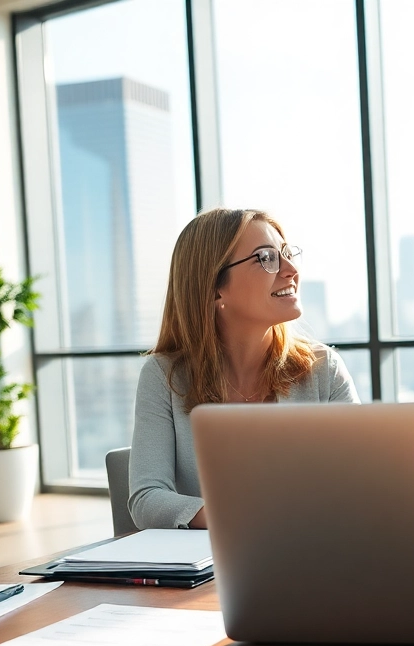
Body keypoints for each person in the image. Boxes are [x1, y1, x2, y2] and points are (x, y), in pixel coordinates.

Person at [130, 207, 361, 529]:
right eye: (266, 258)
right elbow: (148, 498)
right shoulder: (164, 375)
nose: (291, 269)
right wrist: (250, 520)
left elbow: (360, 483)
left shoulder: (323, 368)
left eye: (287, 254)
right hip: (210, 567)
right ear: (213, 287)